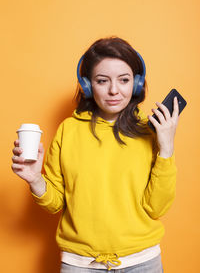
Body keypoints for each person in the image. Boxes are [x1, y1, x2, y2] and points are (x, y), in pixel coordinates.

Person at [12, 37, 179, 273]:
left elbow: (156, 208)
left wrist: (166, 147)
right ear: (88, 85)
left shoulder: (150, 131)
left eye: (124, 80)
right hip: (79, 264)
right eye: (102, 81)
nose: (114, 90)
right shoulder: (67, 130)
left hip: (143, 263)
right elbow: (55, 203)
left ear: (137, 83)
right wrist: (35, 179)